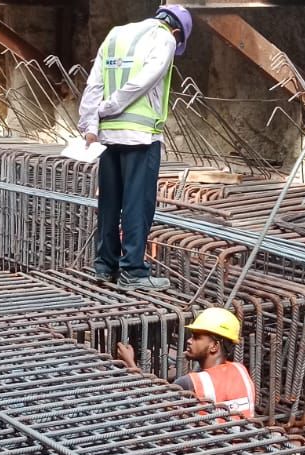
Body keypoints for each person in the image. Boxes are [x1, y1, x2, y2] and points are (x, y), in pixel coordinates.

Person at [78, 4, 191, 290]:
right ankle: (133, 272)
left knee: (109, 203)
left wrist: (90, 124)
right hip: (141, 138)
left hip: (108, 137)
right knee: (137, 205)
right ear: (177, 32)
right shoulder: (165, 38)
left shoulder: (116, 34)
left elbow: (94, 82)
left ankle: (104, 266)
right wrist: (110, 106)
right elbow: (144, 81)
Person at [116, 307, 256, 420]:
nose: (189, 341)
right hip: (242, 447)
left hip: (208, 451)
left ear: (214, 346)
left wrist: (131, 365)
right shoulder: (241, 370)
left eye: (197, 337)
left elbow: (154, 405)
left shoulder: (192, 382)